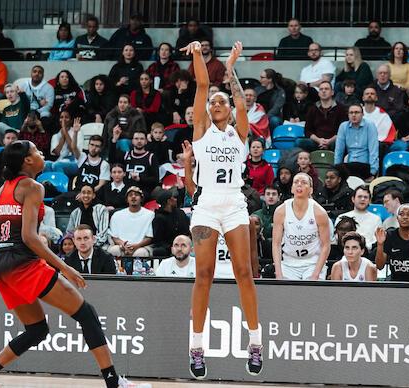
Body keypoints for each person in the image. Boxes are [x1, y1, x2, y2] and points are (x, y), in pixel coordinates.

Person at [0, 140, 138, 388]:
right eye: (37, 152)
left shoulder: (4, 188)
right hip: (23, 262)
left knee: (36, 330)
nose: (42, 155)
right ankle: (114, 383)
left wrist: (7, 256)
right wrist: (66, 267)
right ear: (27, 161)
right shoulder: (32, 186)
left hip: (2, 265)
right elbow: (29, 237)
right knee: (87, 314)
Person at [180, 40, 262, 378]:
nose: (215, 102)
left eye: (220, 101)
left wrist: (231, 66)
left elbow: (240, 97)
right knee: (204, 275)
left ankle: (256, 342)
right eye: (212, 101)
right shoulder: (200, 131)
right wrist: (199, 53)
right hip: (206, 204)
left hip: (234, 203)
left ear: (228, 109)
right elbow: (202, 84)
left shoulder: (238, 133)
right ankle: (196, 348)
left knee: (244, 273)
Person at [272, 172, 331, 280]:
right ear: (292, 188)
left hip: (313, 262)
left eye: (304, 183)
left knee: (310, 293)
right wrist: (278, 272)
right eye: (296, 182)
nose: (299, 185)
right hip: (289, 263)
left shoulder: (319, 213)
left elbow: (326, 245)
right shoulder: (281, 211)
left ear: (311, 190)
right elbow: (276, 244)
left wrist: (316, 274)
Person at [334, 103, 379, 180]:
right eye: (351, 113)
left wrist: (373, 172)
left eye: (357, 112)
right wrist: (337, 169)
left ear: (362, 114)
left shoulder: (370, 125)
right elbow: (339, 150)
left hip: (365, 165)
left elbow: (373, 150)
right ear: (348, 115)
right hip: (350, 164)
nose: (354, 115)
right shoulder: (343, 126)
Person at [106, 186, 154, 257]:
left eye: (136, 195)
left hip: (141, 247)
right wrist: (123, 245)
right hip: (121, 246)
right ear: (127, 199)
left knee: (140, 253)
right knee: (114, 250)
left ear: (141, 199)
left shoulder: (150, 214)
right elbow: (114, 237)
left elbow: (149, 237)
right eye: (130, 195)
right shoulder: (117, 215)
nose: (133, 197)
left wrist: (136, 246)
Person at [300, 81, 347, 152]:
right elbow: (307, 130)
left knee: (341, 143)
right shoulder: (312, 108)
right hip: (316, 142)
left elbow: (343, 130)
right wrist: (319, 140)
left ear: (332, 92)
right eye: (321, 89)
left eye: (326, 89)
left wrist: (329, 141)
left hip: (334, 142)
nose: (323, 91)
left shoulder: (341, 108)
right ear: (318, 93)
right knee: (299, 142)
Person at [335, 186, 382, 251]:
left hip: (367, 252)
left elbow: (376, 240)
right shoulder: (342, 217)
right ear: (353, 199)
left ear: (369, 200)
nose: (362, 199)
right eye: (359, 196)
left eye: (365, 197)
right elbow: (337, 238)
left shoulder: (376, 219)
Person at [152, 189, 191, 256]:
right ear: (169, 201)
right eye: (174, 198)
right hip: (169, 248)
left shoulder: (181, 213)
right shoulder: (159, 218)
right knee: (160, 251)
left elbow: (187, 231)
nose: (176, 199)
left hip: (185, 244)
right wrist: (174, 247)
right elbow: (159, 241)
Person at [45, 111, 82, 177]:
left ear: (71, 120)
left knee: (58, 165)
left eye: (66, 117)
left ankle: (62, 186)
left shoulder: (78, 132)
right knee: (46, 164)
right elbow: (56, 152)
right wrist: (63, 135)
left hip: (75, 162)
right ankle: (47, 185)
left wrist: (65, 131)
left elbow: (74, 151)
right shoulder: (56, 136)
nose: (63, 120)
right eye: (61, 117)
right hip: (61, 159)